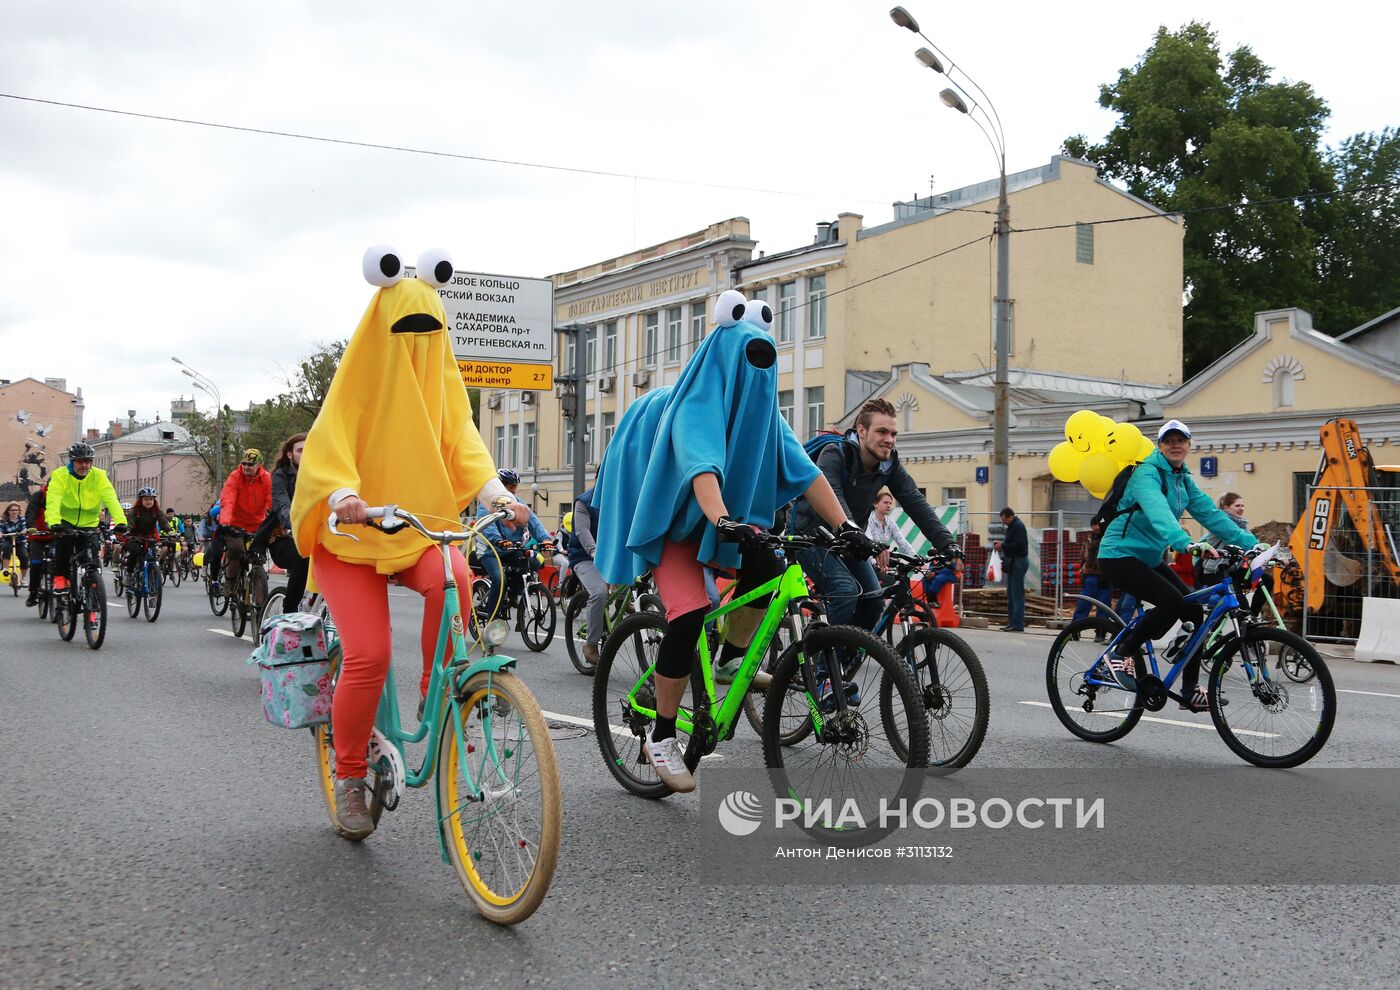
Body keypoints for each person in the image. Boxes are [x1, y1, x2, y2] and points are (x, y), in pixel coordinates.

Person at [290, 246, 527, 841]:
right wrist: (344, 492)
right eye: (409, 328)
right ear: (383, 327)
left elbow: (463, 440)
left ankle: (438, 688)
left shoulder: (442, 387)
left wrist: (499, 496)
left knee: (456, 576)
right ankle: (349, 774)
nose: (420, 341)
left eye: (431, 329)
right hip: (350, 537)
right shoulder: (356, 380)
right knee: (368, 655)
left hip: (413, 528)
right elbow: (330, 442)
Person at [593, 289, 857, 794]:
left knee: (770, 567)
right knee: (689, 614)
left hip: (719, 521)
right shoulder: (697, 401)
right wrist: (720, 517)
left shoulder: (761, 413)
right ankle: (664, 736)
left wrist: (847, 528)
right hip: (675, 523)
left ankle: (733, 655)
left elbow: (804, 473)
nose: (756, 373)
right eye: (748, 360)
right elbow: (702, 462)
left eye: (765, 362)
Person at [1096, 420, 1257, 712]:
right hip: (1118, 555)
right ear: (1160, 445)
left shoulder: (1183, 480)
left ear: (1188, 445)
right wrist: (1186, 543)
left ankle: (1190, 690)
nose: (1175, 445)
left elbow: (1211, 514)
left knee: (1194, 609)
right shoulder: (1146, 473)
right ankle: (1120, 655)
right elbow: (1159, 513)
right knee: (1171, 601)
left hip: (1148, 558)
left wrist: (1252, 543)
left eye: (1180, 440)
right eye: (1168, 440)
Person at [789, 397, 958, 633]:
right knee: (846, 592)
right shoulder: (836, 454)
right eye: (882, 432)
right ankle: (823, 663)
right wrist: (855, 533)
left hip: (850, 541)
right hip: (812, 537)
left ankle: (845, 657)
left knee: (874, 600)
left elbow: (915, 501)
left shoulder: (889, 466)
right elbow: (833, 495)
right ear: (861, 430)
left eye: (893, 433)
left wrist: (947, 543)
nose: (889, 440)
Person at [45, 442, 126, 594]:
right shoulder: (60, 475)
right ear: (72, 462)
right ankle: (61, 577)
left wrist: (121, 521)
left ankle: (92, 595)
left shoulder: (99, 476)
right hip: (65, 520)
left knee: (92, 561)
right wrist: (54, 522)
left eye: (88, 461)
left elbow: (111, 499)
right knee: (64, 546)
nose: (84, 465)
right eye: (80, 461)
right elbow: (53, 501)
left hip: (89, 523)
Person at [253, 433, 309, 612]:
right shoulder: (280, 475)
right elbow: (281, 503)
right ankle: (289, 612)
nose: (306, 454)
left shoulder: (320, 473)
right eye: (301, 450)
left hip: (314, 533)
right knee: (302, 560)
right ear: (290, 454)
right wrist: (292, 524)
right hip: (283, 536)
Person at [215, 449, 273, 595]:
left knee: (258, 558)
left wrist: (279, 519)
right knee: (236, 550)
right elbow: (228, 499)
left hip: (257, 524)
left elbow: (272, 499)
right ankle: (230, 581)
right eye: (244, 464)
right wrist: (226, 522)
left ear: (259, 465)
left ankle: (258, 604)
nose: (246, 467)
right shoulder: (235, 477)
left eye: (250, 464)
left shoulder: (266, 478)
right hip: (235, 523)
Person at [566, 486, 609, 667]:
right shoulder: (584, 501)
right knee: (599, 593)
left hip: (610, 555)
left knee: (632, 583)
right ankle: (590, 645)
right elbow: (582, 531)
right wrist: (594, 551)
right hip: (584, 556)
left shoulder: (619, 496)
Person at [1069, 520, 1115, 642]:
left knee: (1103, 608)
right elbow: (1083, 555)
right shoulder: (1089, 538)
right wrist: (1082, 573)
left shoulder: (1110, 536)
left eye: (1097, 525)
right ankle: (1074, 630)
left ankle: (1100, 632)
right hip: (1090, 576)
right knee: (1083, 605)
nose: (1095, 528)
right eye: (1093, 525)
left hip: (1104, 577)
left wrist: (1108, 575)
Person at [993, 507, 1029, 632]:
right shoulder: (1013, 526)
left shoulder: (1017, 526)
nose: (1003, 523)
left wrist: (1003, 546)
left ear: (1010, 517)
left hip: (1018, 561)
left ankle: (1018, 624)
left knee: (1017, 594)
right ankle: (1012, 622)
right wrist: (1003, 545)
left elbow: (1020, 546)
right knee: (1011, 594)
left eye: (1004, 520)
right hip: (1015, 562)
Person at [865, 489, 916, 575]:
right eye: (885, 502)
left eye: (890, 503)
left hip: (883, 564)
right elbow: (868, 542)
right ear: (875, 504)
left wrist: (915, 559)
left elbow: (902, 542)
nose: (889, 505)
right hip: (868, 563)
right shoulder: (868, 521)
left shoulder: (890, 523)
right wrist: (875, 564)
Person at [123, 487, 167, 584]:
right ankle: (129, 573)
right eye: (146, 499)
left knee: (153, 555)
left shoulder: (157, 511)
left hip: (150, 537)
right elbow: (130, 524)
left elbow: (163, 522)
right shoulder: (134, 511)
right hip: (134, 536)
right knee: (135, 552)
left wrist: (170, 532)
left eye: (151, 499)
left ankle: (155, 575)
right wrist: (128, 532)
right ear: (141, 500)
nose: (149, 502)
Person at [23, 482, 52, 606]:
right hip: (38, 535)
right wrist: (31, 526)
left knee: (63, 560)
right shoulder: (39, 496)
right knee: (36, 563)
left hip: (56, 535)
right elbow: (31, 512)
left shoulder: (63, 495)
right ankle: (33, 592)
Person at [2, 502, 30, 589]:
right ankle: (5, 569)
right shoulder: (3, 520)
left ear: (19, 511)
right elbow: (0, 528)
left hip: (20, 541)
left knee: (24, 557)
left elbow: (25, 528)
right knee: (6, 548)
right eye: (12, 510)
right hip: (8, 540)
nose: (14, 512)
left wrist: (25, 531)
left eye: (16, 510)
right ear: (8, 511)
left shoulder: (22, 519)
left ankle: (22, 579)